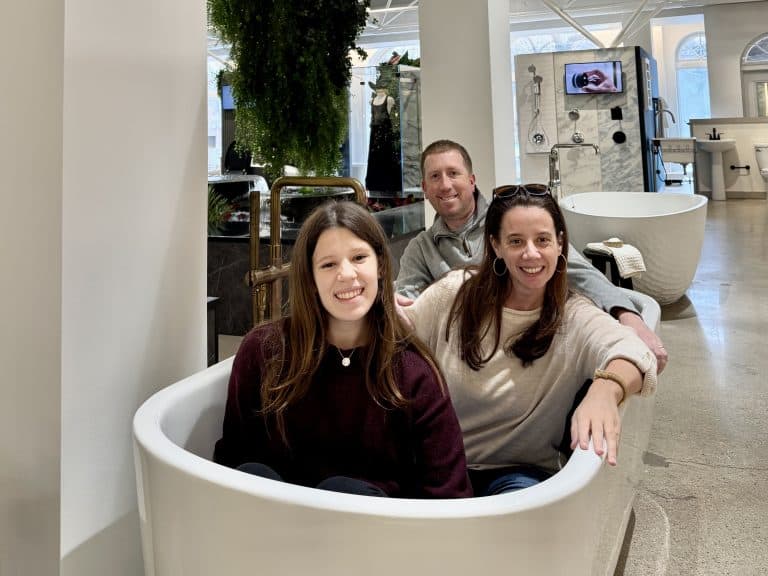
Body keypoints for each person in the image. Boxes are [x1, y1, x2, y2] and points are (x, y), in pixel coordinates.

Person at [404, 185, 658, 495]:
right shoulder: (455, 293)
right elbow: (397, 334)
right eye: (515, 241)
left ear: (560, 244)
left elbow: (634, 352)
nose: (531, 253)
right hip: (439, 463)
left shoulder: (574, 315)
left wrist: (605, 390)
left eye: (542, 240)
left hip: (518, 474)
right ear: (495, 246)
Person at [214, 201, 471, 498]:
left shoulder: (413, 374)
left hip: (377, 536)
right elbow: (229, 464)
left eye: (359, 257)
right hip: (273, 531)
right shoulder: (263, 352)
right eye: (328, 264)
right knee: (253, 474)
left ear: (381, 267)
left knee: (344, 491)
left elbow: (450, 494)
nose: (346, 274)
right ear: (309, 278)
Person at [395, 139, 668, 373]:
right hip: (471, 359)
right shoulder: (420, 248)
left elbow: (579, 273)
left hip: (537, 349)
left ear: (471, 179)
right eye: (435, 177)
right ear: (424, 188)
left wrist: (627, 315)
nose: (445, 185)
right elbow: (412, 310)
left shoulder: (512, 219)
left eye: (453, 173)